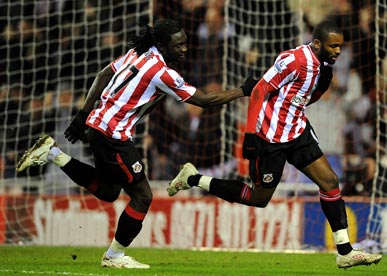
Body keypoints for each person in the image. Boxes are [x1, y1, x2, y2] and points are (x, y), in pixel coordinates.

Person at [16, 19, 258, 269]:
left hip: (99, 126)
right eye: (179, 45)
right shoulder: (161, 72)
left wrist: (83, 114)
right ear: (163, 46)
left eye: (185, 44)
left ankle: (52, 153)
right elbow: (205, 100)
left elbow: (104, 74)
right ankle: (114, 256)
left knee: (109, 191)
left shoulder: (137, 53)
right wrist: (243, 90)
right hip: (113, 135)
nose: (184, 49)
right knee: (142, 196)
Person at [167, 19, 383, 269]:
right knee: (258, 198)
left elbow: (308, 96)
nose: (337, 51)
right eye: (333, 46)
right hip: (269, 138)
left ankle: (345, 251)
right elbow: (258, 91)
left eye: (340, 47)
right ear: (316, 43)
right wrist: (251, 135)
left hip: (297, 132)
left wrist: (295, 107)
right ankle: (192, 179)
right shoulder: (294, 60)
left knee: (330, 182)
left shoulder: (324, 69)